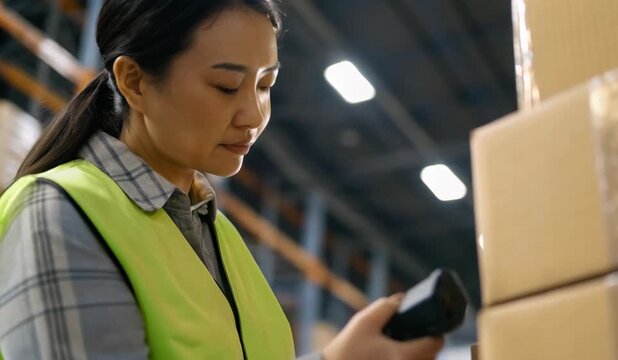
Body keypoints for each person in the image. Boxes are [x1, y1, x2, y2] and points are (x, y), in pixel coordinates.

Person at [0, 1, 444, 359]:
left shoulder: (221, 239)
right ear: (134, 82)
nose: (253, 116)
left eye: (266, 85)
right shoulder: (58, 214)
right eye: (226, 86)